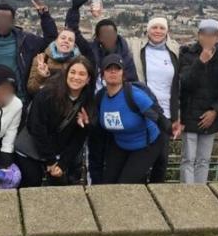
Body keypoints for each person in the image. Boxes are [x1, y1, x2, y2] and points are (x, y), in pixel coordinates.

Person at [16, 56, 95, 187]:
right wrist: (50, 161)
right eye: (73, 72)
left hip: (57, 153)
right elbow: (36, 127)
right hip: (31, 150)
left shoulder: (87, 100)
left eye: (82, 74)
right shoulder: (48, 94)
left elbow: (78, 139)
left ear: (88, 80)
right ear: (66, 74)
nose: (76, 77)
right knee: (32, 186)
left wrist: (62, 164)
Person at [178, 19, 218, 184]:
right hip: (189, 114)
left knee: (204, 160)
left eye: (212, 35)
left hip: (211, 115)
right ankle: (188, 194)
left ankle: (200, 193)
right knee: (188, 159)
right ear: (199, 35)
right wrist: (201, 61)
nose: (208, 39)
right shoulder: (187, 54)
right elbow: (185, 82)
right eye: (204, 35)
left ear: (217, 37)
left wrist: (216, 111)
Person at [127, 17, 182, 183]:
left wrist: (177, 115)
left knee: (161, 160)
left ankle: (158, 194)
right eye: (154, 27)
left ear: (167, 31)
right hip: (144, 110)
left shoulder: (176, 50)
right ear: (147, 30)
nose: (158, 31)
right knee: (140, 157)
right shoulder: (135, 46)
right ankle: (140, 193)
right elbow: (112, 38)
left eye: (161, 28)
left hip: (165, 113)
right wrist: (99, 16)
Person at [96, 54, 166, 184]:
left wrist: (171, 129)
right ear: (102, 74)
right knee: (107, 184)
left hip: (146, 144)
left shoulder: (135, 95)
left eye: (117, 69)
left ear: (123, 73)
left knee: (126, 185)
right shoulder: (100, 98)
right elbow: (93, 118)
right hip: (121, 143)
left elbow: (158, 117)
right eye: (108, 68)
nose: (113, 72)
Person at [0, 0, 58, 101]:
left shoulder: (27, 41)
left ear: (13, 21)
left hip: (19, 98)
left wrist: (45, 16)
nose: (3, 22)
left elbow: (50, 40)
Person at [63, 0, 138, 88]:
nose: (108, 38)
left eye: (111, 34)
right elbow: (73, 33)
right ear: (97, 38)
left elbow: (133, 83)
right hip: (95, 100)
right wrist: (74, 9)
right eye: (104, 35)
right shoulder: (91, 51)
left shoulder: (125, 56)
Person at [27, 28, 81, 95]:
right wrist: (41, 75)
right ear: (56, 41)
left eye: (70, 40)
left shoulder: (80, 62)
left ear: (74, 45)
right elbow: (31, 89)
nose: (66, 41)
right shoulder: (42, 59)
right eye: (63, 38)